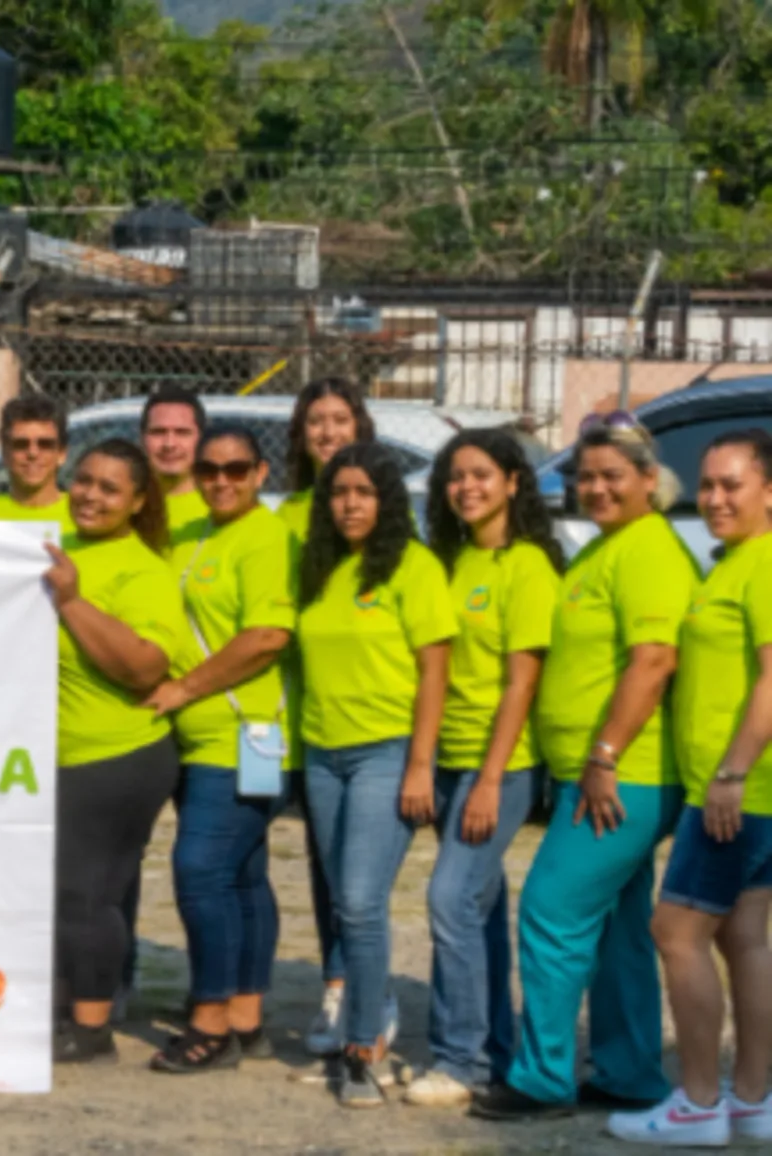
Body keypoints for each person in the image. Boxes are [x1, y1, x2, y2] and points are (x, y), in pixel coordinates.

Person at [473, 414, 700, 1122]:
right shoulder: (606, 547)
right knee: (613, 927)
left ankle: (541, 1077)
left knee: (551, 909)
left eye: (613, 476)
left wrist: (603, 755)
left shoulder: (648, 553)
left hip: (622, 775)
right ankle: (630, 1070)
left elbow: (654, 659)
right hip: (595, 773)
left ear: (649, 482)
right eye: (586, 475)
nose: (595, 487)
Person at [608, 429, 772, 1146]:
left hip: (737, 791)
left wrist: (732, 771)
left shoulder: (762, 567)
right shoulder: (734, 563)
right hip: (746, 790)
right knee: (744, 940)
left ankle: (699, 1104)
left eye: (731, 485)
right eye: (706, 485)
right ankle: (754, 1099)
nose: (714, 498)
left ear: (769, 491)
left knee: (674, 932)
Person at [400, 430, 564, 1108]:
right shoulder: (449, 560)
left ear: (513, 483)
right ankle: (494, 1048)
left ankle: (459, 1060)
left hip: (499, 766)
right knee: (479, 910)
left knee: (449, 899)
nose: (467, 487)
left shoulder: (527, 567)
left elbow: (520, 685)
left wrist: (492, 781)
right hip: (449, 760)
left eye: (481, 475)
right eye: (455, 477)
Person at [295, 442, 457, 1107]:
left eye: (364, 492)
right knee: (343, 901)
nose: (351, 504)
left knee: (361, 901)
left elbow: (435, 671)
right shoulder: (322, 566)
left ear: (388, 499)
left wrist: (420, 765)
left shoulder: (413, 568)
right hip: (321, 751)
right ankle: (373, 997)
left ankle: (364, 1043)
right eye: (339, 492)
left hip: (385, 752)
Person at [142, 426, 297, 1073]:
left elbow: (267, 635)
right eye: (209, 469)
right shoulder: (194, 531)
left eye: (236, 469)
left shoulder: (268, 539)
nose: (221, 480)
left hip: (247, 735)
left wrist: (183, 688)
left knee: (200, 869)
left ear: (262, 472)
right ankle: (246, 1012)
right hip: (203, 738)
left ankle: (209, 1021)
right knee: (243, 876)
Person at [42, 438, 184, 1064]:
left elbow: (145, 667)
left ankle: (93, 1029)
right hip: (54, 757)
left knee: (88, 894)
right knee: (54, 892)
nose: (91, 495)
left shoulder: (143, 569)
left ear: (137, 501)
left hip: (116, 757)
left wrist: (72, 602)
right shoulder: (51, 546)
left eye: (109, 488)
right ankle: (60, 1012)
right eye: (84, 481)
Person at [281, 377, 379, 1054]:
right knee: (323, 865)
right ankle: (336, 987)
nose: (326, 432)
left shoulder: (387, 513)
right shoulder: (285, 515)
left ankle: (365, 996)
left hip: (371, 726)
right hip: (299, 719)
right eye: (314, 421)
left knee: (359, 874)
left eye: (339, 419)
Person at [279, 379, 375, 543]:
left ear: (358, 428)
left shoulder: (386, 505)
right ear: (301, 433)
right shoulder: (288, 513)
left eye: (341, 420)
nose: (329, 434)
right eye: (315, 422)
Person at [0, 394, 73, 528]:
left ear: (62, 453)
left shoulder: (86, 517)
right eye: (21, 444)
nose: (33, 453)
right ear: (5, 453)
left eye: (45, 444)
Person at [143, 386, 210, 536]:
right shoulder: (120, 505)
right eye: (158, 432)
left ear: (202, 439)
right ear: (142, 438)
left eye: (182, 432)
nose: (169, 444)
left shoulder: (220, 507)